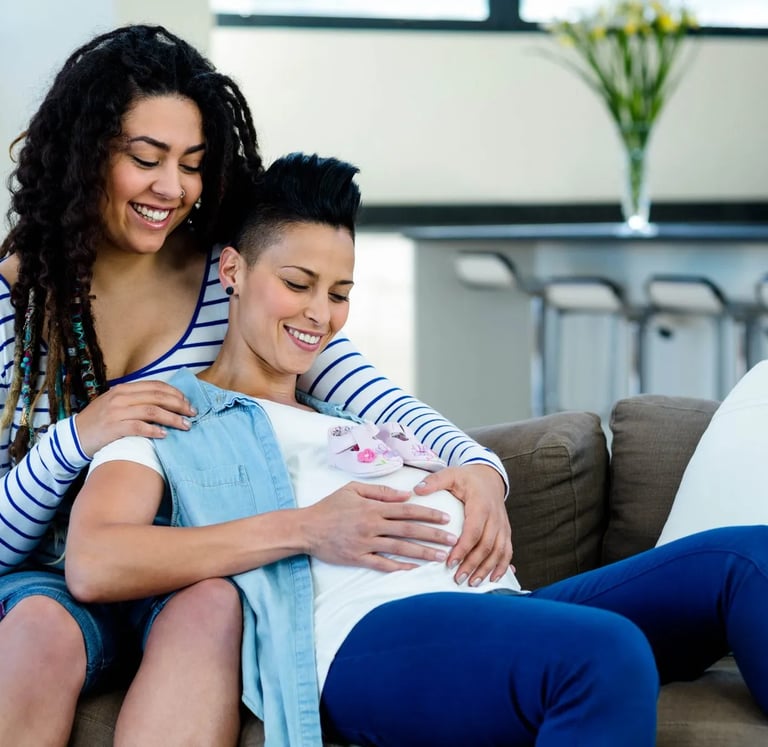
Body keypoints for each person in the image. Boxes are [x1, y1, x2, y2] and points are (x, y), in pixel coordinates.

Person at [67, 152, 768, 747]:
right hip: (361, 638)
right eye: (298, 284)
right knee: (606, 653)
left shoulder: (345, 409)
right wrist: (307, 528)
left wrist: (481, 478)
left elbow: (451, 451)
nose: (320, 314)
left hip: (500, 610)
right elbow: (96, 561)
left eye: (340, 292)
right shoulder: (170, 412)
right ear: (232, 270)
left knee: (746, 557)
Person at [0, 25, 511, 747]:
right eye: (145, 158)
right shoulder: (14, 303)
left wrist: (482, 470)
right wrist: (79, 437)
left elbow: (371, 392)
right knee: (43, 630)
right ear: (85, 156)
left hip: (190, 559)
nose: (171, 188)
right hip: (46, 580)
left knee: (212, 605)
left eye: (192, 163)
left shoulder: (228, 280)